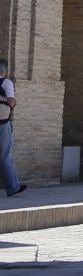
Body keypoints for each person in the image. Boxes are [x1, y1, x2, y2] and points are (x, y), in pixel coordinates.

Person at [1, 58, 26, 197]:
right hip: (2, 124)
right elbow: (11, 102)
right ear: (4, 71)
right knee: (4, 156)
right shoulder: (6, 82)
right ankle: (13, 187)